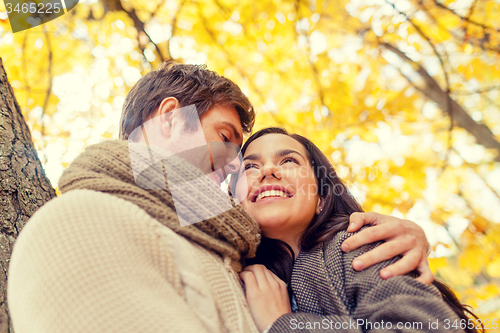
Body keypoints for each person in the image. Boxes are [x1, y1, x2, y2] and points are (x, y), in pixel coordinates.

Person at [8, 62, 430, 332]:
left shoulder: (241, 258)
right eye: (229, 142)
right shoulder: (80, 222)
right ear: (170, 119)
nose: (235, 170)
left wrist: (407, 237)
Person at [234, 127, 481, 333]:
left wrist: (283, 325)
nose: (267, 171)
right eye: (249, 167)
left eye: (288, 161)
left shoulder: (355, 248)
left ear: (321, 197)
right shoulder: (235, 268)